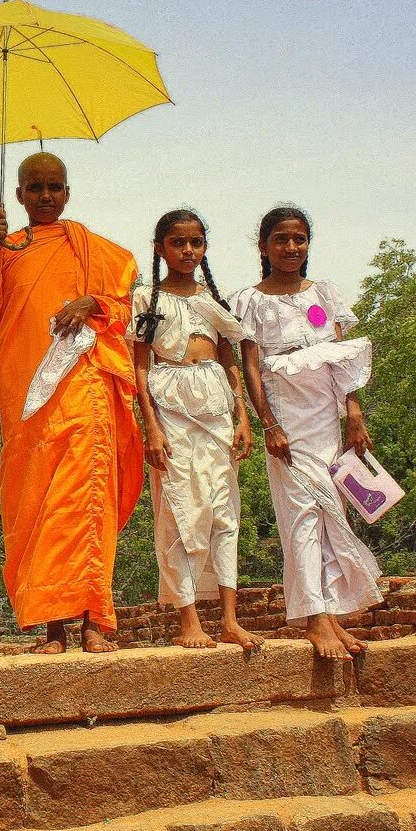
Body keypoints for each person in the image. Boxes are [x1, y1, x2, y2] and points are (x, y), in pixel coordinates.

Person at [0, 152, 145, 654]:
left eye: (54, 187)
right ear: (20, 195)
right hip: (26, 395)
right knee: (38, 502)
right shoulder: (9, 248)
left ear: (67, 193)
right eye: (35, 187)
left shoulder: (93, 249)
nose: (45, 196)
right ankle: (52, 627)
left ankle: (94, 619)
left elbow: (124, 306)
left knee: (85, 496)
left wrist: (92, 303)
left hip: (84, 385)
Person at [231, 205, 382, 662]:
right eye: (281, 239)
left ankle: (331, 611)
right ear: (263, 246)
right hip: (286, 416)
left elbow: (342, 357)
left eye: (299, 239)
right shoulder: (250, 300)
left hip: (325, 414)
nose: (291, 247)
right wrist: (268, 424)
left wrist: (353, 412)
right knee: (300, 511)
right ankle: (312, 616)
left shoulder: (325, 293)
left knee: (332, 508)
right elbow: (251, 368)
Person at [131, 209, 263, 651]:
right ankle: (188, 620)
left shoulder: (213, 300)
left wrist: (242, 414)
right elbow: (140, 365)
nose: (188, 251)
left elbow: (228, 357)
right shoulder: (147, 300)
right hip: (170, 407)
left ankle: (229, 618)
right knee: (177, 510)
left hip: (216, 407)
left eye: (196, 243)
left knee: (224, 511)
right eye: (178, 243)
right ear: (159, 248)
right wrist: (150, 425)